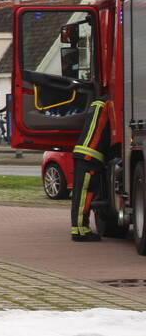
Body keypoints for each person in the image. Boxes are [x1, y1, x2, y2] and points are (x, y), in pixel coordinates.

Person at [70, 97, 111, 242]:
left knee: (82, 195)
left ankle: (81, 228)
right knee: (83, 196)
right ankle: (80, 231)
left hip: (85, 155)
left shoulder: (96, 104)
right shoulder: (106, 104)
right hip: (89, 157)